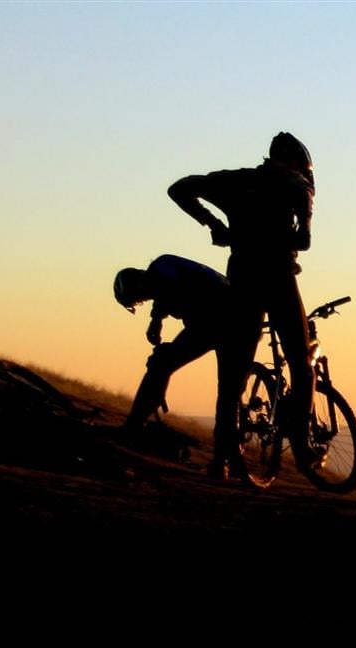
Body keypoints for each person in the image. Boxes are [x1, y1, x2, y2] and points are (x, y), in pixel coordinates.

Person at [167, 132, 319, 481]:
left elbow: (179, 188)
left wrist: (215, 223)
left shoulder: (233, 180)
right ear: (299, 164)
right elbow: (305, 241)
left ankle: (222, 457)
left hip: (242, 276)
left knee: (232, 372)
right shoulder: (298, 185)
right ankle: (301, 444)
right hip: (278, 276)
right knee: (300, 360)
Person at [113, 254, 230, 457]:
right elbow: (163, 294)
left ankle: (134, 425)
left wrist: (156, 322)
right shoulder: (163, 271)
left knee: (161, 363)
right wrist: (156, 322)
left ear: (138, 282)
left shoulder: (162, 267)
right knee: (164, 362)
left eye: (138, 298)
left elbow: (165, 290)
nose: (142, 300)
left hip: (216, 321)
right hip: (215, 320)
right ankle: (224, 456)